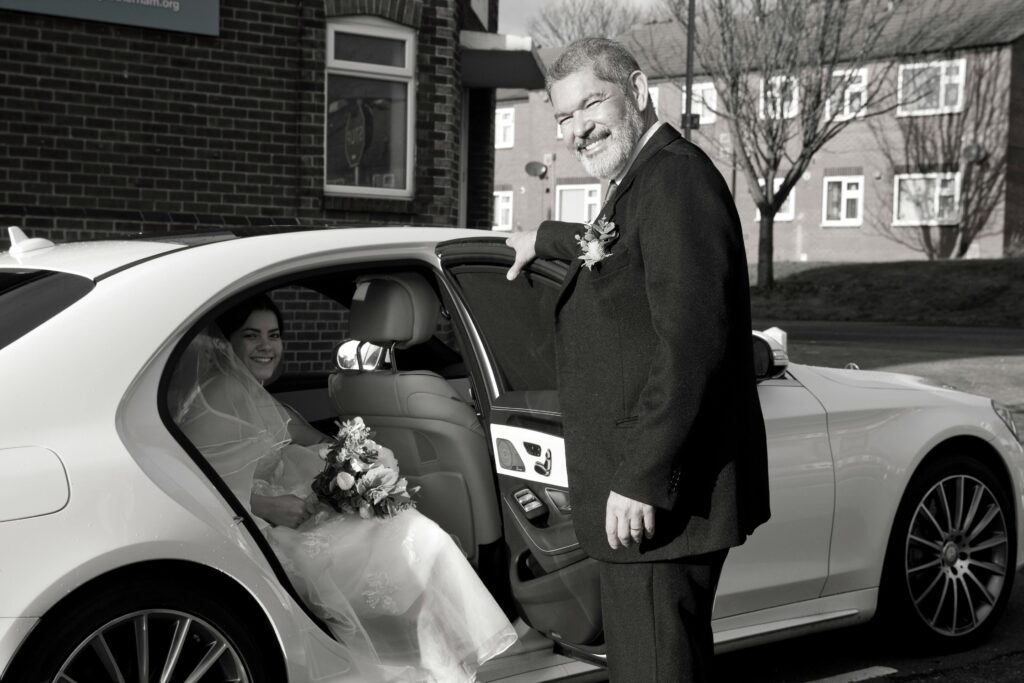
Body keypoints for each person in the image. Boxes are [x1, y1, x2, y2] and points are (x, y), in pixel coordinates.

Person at [505, 37, 770, 681]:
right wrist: (540, 237)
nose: (577, 130)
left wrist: (643, 478)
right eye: (563, 117)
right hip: (647, 502)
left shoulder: (676, 179)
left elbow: (694, 343)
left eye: (590, 105)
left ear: (638, 90)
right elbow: (620, 248)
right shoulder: (645, 178)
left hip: (657, 504)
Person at [171, 294, 516, 682]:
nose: (267, 346)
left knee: (408, 532)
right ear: (226, 343)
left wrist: (357, 464)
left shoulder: (251, 391)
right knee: (414, 539)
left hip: (291, 504)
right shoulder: (220, 395)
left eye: (274, 334)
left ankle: (433, 663)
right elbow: (190, 477)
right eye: (252, 336)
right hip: (254, 523)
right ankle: (429, 666)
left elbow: (308, 437)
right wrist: (266, 505)